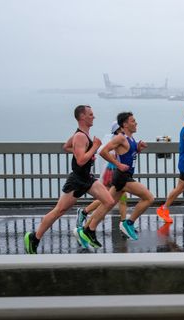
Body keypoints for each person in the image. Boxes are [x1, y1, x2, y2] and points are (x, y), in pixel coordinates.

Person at [23, 105, 115, 254]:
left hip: (87, 178)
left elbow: (66, 147)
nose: (94, 117)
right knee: (59, 210)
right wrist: (94, 148)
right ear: (82, 117)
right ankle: (34, 237)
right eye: (91, 114)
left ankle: (88, 230)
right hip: (77, 179)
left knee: (109, 201)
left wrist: (86, 152)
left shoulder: (82, 135)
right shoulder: (80, 136)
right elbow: (79, 161)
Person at [77, 112, 154, 243]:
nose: (136, 123)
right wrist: (118, 164)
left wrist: (139, 149)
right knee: (149, 198)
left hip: (123, 176)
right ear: (124, 124)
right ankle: (128, 223)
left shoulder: (131, 139)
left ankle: (85, 230)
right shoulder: (121, 138)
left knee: (106, 205)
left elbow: (129, 156)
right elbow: (102, 151)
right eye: (133, 121)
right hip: (123, 178)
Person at [76, 121, 128, 229]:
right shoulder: (114, 140)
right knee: (111, 197)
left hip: (116, 171)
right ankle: (85, 214)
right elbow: (105, 152)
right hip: (112, 172)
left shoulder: (121, 138)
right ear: (118, 129)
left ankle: (124, 224)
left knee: (119, 197)